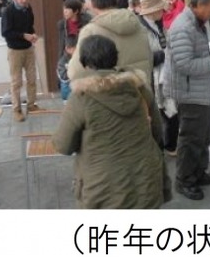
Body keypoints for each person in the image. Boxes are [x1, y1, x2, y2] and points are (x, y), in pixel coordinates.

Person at [52, 34, 170, 209]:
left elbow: (63, 145)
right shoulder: (139, 89)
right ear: (115, 57)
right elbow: (157, 133)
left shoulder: (81, 97)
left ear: (84, 62)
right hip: (146, 180)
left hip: (102, 188)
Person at [163, 0, 210, 200]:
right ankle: (184, 180)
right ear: (200, 5)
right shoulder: (183, 27)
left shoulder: (197, 23)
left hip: (200, 88)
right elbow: (185, 64)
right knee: (191, 138)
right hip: (189, 92)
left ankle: (198, 172)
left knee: (203, 135)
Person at [67, 0, 152, 83]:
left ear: (92, 2)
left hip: (108, 90)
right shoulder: (138, 25)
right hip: (140, 88)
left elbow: (75, 73)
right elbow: (149, 60)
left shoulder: (90, 31)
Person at [138, 0, 179, 156]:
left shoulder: (157, 24)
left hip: (163, 74)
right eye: (161, 9)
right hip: (152, 77)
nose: (163, 11)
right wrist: (165, 54)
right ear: (153, 11)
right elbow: (144, 57)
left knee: (168, 110)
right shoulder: (140, 29)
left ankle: (169, 145)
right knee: (159, 113)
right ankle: (163, 146)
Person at [1, 0, 42, 122]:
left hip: (28, 48)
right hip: (15, 51)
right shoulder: (8, 11)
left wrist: (33, 34)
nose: (24, 0)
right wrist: (23, 35)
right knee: (16, 82)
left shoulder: (28, 8)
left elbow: (30, 26)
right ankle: (17, 110)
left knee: (32, 78)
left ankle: (31, 105)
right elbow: (5, 32)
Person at [56, 34, 77, 101]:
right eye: (75, 49)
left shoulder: (79, 58)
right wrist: (73, 70)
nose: (77, 51)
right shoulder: (62, 62)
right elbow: (63, 77)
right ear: (67, 49)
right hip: (67, 92)